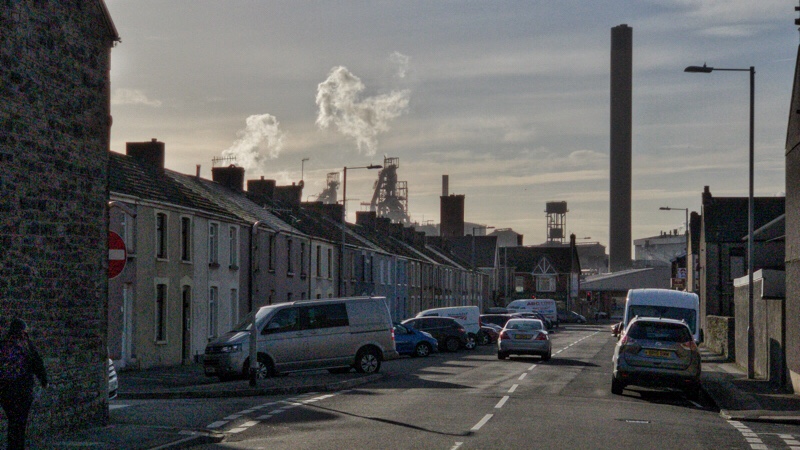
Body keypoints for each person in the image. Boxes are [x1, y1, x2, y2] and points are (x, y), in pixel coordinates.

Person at [0, 319, 47, 450]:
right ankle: (17, 446)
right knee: (20, 422)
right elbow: (37, 363)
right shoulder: (26, 345)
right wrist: (44, 381)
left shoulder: (3, 344)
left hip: (5, 390)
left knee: (12, 420)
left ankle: (12, 445)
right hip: (22, 390)